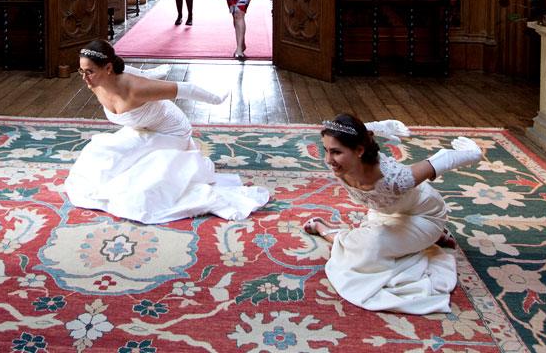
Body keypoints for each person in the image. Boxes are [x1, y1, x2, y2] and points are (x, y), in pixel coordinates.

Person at [63, 39, 270, 224]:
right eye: (81, 71)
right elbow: (140, 73)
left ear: (108, 68)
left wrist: (218, 99)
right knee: (101, 153)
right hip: (143, 128)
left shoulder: (136, 89)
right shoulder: (99, 82)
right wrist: (158, 71)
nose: (84, 78)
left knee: (137, 185)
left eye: (89, 71)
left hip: (171, 131)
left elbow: (185, 88)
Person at [303, 113, 482, 314]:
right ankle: (424, 240)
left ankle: (329, 231)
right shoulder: (346, 158)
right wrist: (383, 127)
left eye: (336, 152)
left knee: (369, 248)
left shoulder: (396, 179)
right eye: (325, 150)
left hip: (424, 216)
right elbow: (358, 132)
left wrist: (473, 153)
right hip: (387, 212)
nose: (328, 159)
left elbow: (443, 160)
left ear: (359, 150)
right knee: (371, 236)